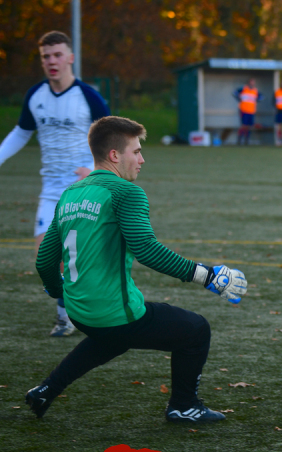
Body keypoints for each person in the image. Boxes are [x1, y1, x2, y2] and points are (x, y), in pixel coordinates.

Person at [28, 116, 247, 423]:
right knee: (196, 330)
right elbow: (146, 249)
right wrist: (208, 276)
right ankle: (184, 405)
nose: (142, 160)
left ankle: (45, 390)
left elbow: (44, 260)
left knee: (110, 339)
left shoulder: (70, 194)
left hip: (79, 310)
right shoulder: (126, 192)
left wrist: (58, 292)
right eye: (136, 151)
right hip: (111, 310)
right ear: (114, 155)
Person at [0, 31, 110, 337]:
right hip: (51, 192)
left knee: (78, 258)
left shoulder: (88, 97)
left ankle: (81, 314)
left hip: (83, 190)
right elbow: (22, 132)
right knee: (46, 258)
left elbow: (112, 137)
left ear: (70, 58)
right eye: (46, 56)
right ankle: (68, 315)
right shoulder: (36, 96)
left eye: (57, 55)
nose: (52, 61)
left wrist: (94, 169)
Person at [233, 78, 262, 145]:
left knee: (249, 126)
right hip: (244, 110)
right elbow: (234, 92)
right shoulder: (243, 88)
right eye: (251, 82)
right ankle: (239, 139)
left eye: (253, 82)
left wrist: (256, 100)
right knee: (243, 125)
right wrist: (239, 98)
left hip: (251, 111)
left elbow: (261, 97)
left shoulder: (255, 90)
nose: (252, 83)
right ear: (249, 82)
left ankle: (246, 140)